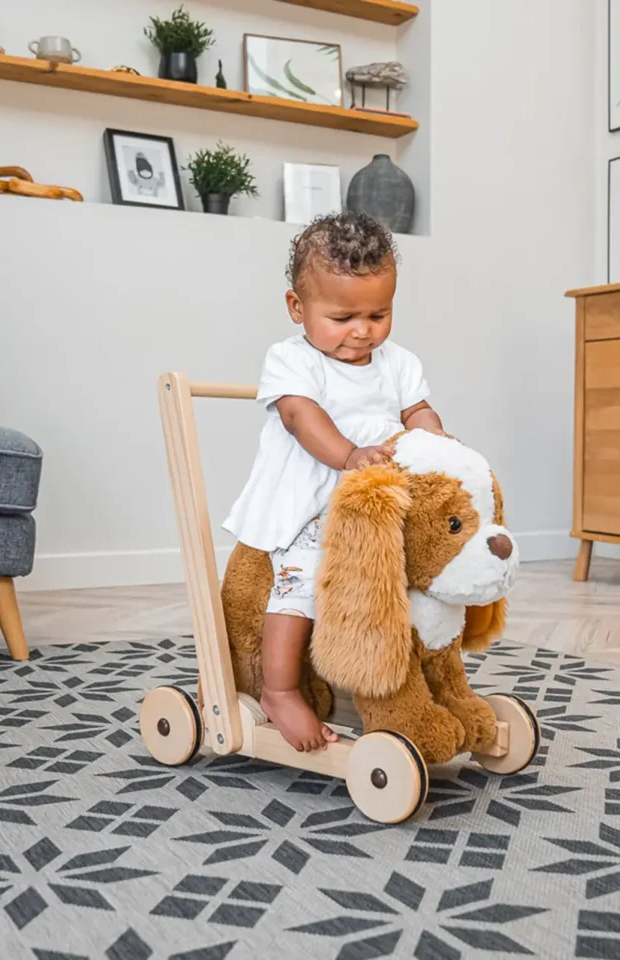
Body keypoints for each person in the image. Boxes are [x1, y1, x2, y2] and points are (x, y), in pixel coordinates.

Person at [223, 212, 448, 752]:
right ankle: (279, 690)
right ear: (297, 308)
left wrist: (436, 442)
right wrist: (350, 456)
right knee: (299, 587)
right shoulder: (292, 360)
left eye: (378, 313)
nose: (362, 330)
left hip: (374, 512)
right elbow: (302, 418)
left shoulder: (398, 363)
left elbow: (418, 411)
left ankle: (406, 686)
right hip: (310, 511)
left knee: (409, 588)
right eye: (343, 316)